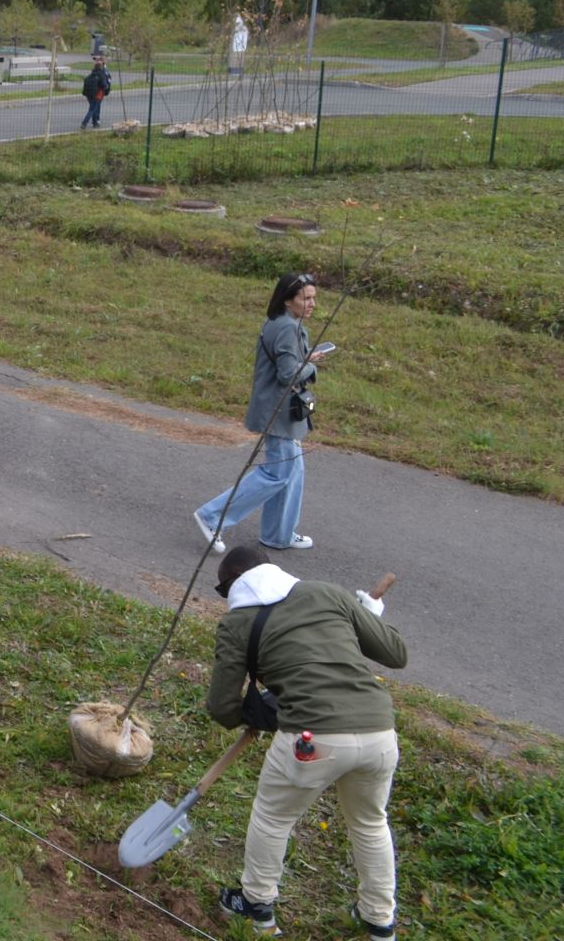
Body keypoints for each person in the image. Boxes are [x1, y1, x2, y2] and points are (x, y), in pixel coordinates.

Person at [207, 545, 408, 939]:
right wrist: (366, 616)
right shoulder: (327, 593)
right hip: (378, 732)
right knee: (370, 823)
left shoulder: (238, 623)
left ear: (230, 587)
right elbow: (395, 653)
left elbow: (221, 707)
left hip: (310, 738)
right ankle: (379, 921)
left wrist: (254, 714)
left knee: (274, 816)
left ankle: (256, 907)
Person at [193, 273, 329, 554]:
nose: (312, 303)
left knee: (292, 471)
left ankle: (278, 534)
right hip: (278, 412)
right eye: (306, 298)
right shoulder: (288, 329)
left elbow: (286, 360)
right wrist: (312, 367)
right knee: (276, 474)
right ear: (288, 299)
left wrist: (306, 357)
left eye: (314, 297)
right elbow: (289, 373)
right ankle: (212, 516)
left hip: (281, 410)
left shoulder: (281, 322)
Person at [80, 53, 111, 130]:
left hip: (89, 94)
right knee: (92, 109)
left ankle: (95, 122)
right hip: (97, 94)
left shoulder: (92, 73)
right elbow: (104, 84)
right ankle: (84, 123)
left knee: (94, 108)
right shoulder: (102, 73)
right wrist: (107, 88)